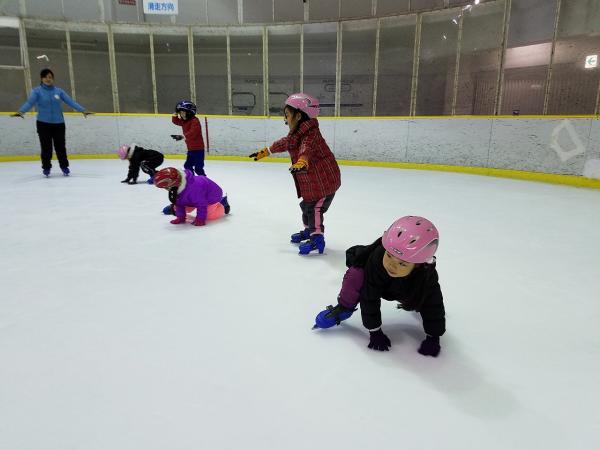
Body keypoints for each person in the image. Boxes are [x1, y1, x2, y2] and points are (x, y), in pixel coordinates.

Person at [312, 216, 446, 357]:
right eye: (389, 255)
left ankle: (414, 301)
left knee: (424, 298)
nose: (391, 265)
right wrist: (375, 331)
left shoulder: (425, 277)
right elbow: (369, 298)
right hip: (381, 282)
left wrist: (433, 337)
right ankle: (344, 307)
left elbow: (434, 305)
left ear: (418, 265)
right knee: (356, 274)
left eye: (402, 263)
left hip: (402, 286)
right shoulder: (377, 260)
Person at [248, 93, 341, 255]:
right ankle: (309, 231)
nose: (285, 119)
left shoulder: (311, 134)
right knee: (305, 206)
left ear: (298, 116)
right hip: (313, 182)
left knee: (314, 209)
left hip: (324, 183)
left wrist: (302, 160)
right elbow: (286, 142)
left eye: (287, 115)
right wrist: (267, 151)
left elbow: (307, 148)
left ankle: (317, 238)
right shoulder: (297, 134)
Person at [11, 68, 92, 177]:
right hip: (43, 124)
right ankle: (46, 167)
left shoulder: (59, 91)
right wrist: (21, 111)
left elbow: (70, 102)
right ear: (41, 78)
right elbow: (30, 103)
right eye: (45, 77)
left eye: (50, 77)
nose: (48, 79)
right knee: (46, 147)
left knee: (60, 147)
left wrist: (83, 110)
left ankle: (64, 167)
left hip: (59, 124)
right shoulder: (37, 91)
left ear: (53, 78)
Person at [154, 167, 230, 227]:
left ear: (174, 183)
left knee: (209, 216)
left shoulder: (194, 189)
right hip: (193, 199)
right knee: (177, 208)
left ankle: (222, 203)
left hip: (211, 197)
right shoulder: (178, 186)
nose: (166, 189)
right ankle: (175, 208)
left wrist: (200, 218)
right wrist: (180, 217)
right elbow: (179, 202)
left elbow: (201, 204)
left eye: (166, 187)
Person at [171, 100, 206, 176]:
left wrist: (183, 136)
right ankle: (193, 180)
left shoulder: (195, 121)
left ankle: (205, 180)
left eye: (183, 112)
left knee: (198, 169)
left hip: (198, 150)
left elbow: (193, 132)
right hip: (190, 149)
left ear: (190, 112)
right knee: (187, 166)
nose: (181, 114)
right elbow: (176, 121)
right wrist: (175, 114)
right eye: (180, 113)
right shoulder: (184, 121)